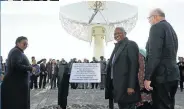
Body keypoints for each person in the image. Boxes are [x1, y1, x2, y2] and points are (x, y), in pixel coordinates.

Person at [144, 8, 180, 109]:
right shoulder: (171, 29)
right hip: (173, 75)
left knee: (160, 105)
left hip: (162, 77)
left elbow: (154, 55)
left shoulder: (156, 27)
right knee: (168, 105)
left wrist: (148, 77)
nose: (149, 21)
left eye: (149, 18)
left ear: (155, 17)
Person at [105, 27, 141, 109]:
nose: (117, 35)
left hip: (126, 86)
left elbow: (133, 66)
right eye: (115, 34)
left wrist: (131, 86)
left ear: (125, 33)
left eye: (119, 33)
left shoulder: (130, 45)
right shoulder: (117, 47)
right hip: (118, 86)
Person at [1, 36, 36, 109]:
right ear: (18, 43)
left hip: (17, 86)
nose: (26, 45)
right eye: (24, 44)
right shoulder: (16, 51)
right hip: (16, 87)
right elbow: (16, 65)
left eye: (27, 44)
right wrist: (30, 68)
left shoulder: (17, 51)